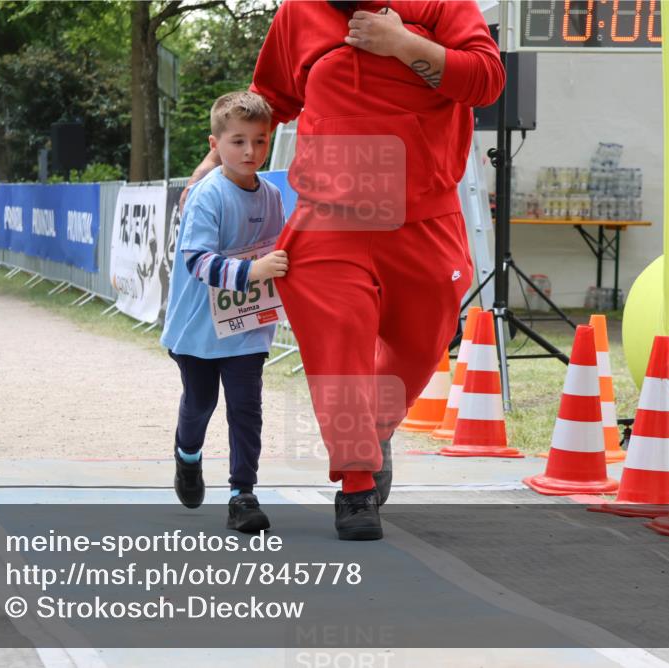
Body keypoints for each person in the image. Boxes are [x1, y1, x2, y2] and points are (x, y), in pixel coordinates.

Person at [183, 0, 504, 540]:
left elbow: (487, 82)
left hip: (422, 215)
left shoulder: (444, 5)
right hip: (330, 219)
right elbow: (268, 102)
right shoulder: (297, 13)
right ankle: (356, 486)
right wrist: (216, 160)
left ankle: (371, 433)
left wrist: (403, 45)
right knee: (340, 348)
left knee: (423, 345)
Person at [160, 91, 289, 533]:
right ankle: (187, 456)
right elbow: (196, 261)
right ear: (215, 145)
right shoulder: (207, 196)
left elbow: (278, 255)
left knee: (246, 407)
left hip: (247, 328)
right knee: (200, 403)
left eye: (259, 140)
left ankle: (243, 494)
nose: (250, 151)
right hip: (197, 328)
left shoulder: (272, 196)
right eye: (238, 141)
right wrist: (253, 270)